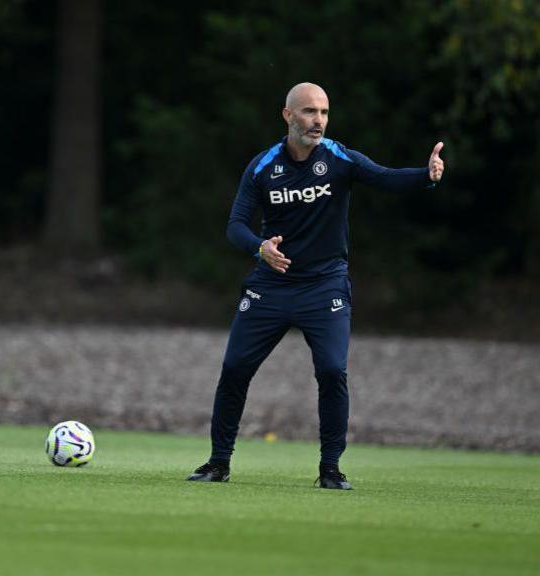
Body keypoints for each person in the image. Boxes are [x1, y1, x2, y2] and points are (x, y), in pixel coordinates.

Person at [186, 82, 446, 489]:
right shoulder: (262, 166)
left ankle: (330, 468)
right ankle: (218, 463)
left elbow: (385, 179)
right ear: (288, 116)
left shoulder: (339, 158)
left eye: (324, 112)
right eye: (309, 112)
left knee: (331, 370)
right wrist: (260, 249)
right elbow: (235, 225)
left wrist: (425, 176)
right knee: (235, 368)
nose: (318, 121)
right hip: (271, 286)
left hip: (324, 286)